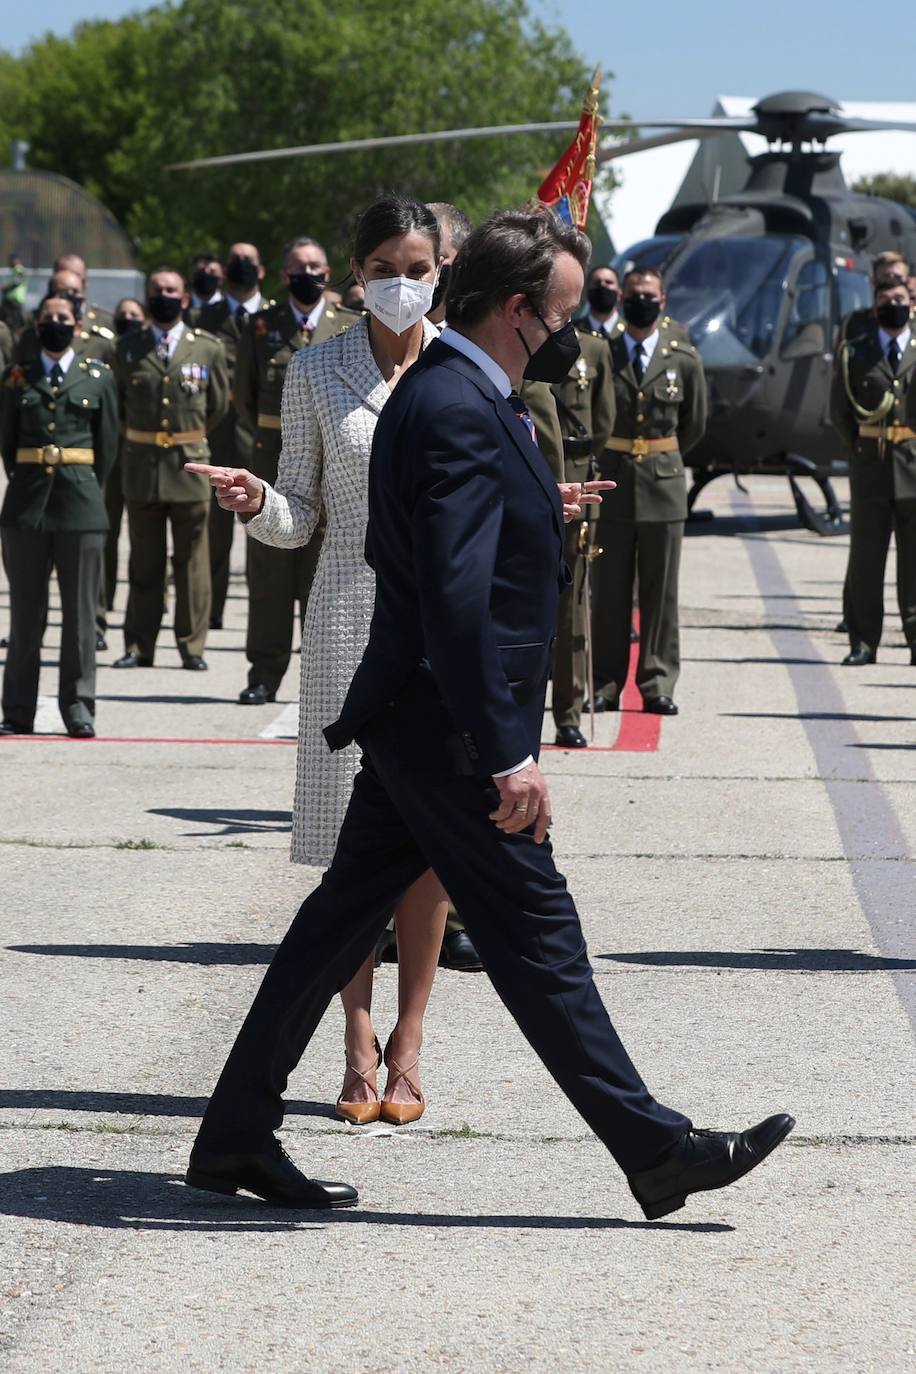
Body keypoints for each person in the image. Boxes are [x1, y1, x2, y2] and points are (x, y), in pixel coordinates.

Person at [185, 206, 793, 1219]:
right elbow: (456, 600)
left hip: (415, 720)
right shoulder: (461, 404)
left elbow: (450, 546)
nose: (572, 332)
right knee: (533, 929)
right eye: (560, 313)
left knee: (336, 926)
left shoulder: (454, 388)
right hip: (451, 728)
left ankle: (234, 1132)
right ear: (517, 310)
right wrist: (510, 752)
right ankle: (653, 1149)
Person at [189, 196, 452, 1127]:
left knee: (426, 852)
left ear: (440, 271)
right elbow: (301, 512)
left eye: (417, 266)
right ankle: (355, 1036)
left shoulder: (464, 368)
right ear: (357, 272)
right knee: (352, 856)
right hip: (346, 620)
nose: (401, 281)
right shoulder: (317, 369)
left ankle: (411, 1044)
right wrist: (256, 497)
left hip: (439, 634)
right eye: (385, 263)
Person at [232, 237, 361, 705]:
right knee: (268, 576)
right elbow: (244, 399)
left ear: (329, 272)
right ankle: (264, 674)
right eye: (300, 266)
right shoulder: (261, 325)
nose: (310, 273)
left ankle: (324, 678)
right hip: (272, 465)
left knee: (322, 578)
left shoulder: (349, 325)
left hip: (331, 468)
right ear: (285, 274)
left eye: (317, 266)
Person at [0, 292, 118, 737]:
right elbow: (9, 444)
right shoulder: (16, 377)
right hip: (26, 509)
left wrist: (84, 486)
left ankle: (78, 707)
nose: (55, 323)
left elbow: (107, 447)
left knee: (80, 617)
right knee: (25, 616)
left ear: (77, 325)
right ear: (36, 328)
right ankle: (16, 710)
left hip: (80, 508)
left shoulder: (98, 377)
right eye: (48, 318)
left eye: (63, 317)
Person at [590, 266, 706, 717]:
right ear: (622, 301)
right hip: (614, 482)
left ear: (664, 300)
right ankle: (605, 682)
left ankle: (657, 681)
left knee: (661, 595)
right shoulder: (604, 353)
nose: (642, 301)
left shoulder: (683, 358)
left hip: (663, 486)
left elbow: (694, 426)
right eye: (635, 294)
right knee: (611, 591)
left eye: (650, 295)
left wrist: (661, 457)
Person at [111, 266, 229, 671]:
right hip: (142, 468)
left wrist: (188, 439)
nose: (164, 295)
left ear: (183, 298)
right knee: (144, 561)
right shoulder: (127, 348)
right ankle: (138, 645)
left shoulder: (207, 348)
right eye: (157, 290)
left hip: (189, 467)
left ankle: (191, 647)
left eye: (171, 290)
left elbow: (218, 407)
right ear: (147, 297)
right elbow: (119, 407)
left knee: (193, 564)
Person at [832, 276, 916, 665]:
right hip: (871, 467)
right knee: (866, 561)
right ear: (874, 305)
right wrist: (860, 448)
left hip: (913, 467)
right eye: (886, 300)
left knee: (914, 563)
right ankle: (864, 641)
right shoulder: (856, 351)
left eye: (900, 298)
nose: (894, 305)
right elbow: (840, 412)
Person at [193, 244, 268, 629]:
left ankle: (261, 614)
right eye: (235, 261)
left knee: (265, 530)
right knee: (215, 533)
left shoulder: (275, 318)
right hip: (219, 434)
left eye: (248, 262)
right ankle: (213, 612)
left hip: (263, 438)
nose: (242, 268)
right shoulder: (204, 316)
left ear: (263, 270)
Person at [550, 331, 616, 746]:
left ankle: (568, 709)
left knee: (570, 606)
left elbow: (603, 421)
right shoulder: (509, 337)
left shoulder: (593, 348)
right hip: (521, 478)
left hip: (574, 483)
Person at [96, 298, 148, 647]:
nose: (127, 319)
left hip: (137, 453)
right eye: (123, 315)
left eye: (134, 315)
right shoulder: (115, 352)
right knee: (104, 535)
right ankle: (101, 609)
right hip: (110, 453)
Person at [52, 253, 115, 335]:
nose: (69, 280)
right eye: (63, 275)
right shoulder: (33, 321)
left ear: (85, 282)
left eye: (76, 276)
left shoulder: (106, 322)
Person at [578, 263, 621, 340]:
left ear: (619, 293)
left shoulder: (630, 332)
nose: (602, 285)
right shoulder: (574, 331)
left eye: (608, 282)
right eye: (597, 282)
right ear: (586, 292)